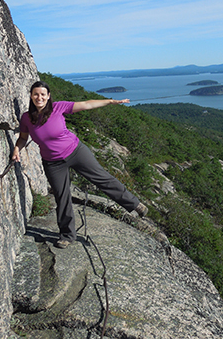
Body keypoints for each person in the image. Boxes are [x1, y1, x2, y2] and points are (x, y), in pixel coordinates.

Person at [12, 81, 148, 249]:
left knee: (101, 178)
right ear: (31, 96)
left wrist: (110, 102)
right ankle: (67, 236)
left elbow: (86, 104)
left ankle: (135, 204)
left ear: (48, 96)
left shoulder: (58, 107)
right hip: (53, 163)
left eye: (42, 94)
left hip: (76, 152)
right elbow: (23, 137)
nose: (39, 97)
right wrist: (17, 148)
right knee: (62, 197)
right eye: (35, 94)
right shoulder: (27, 118)